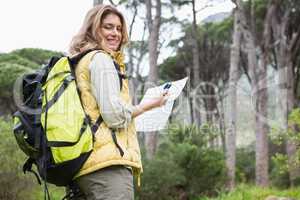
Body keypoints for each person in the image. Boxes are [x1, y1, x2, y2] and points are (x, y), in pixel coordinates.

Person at [67, 4, 168, 200]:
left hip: (82, 168)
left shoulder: (80, 61)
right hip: (107, 168)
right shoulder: (102, 60)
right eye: (108, 27)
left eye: (119, 28)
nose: (115, 33)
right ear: (93, 29)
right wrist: (150, 105)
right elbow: (114, 117)